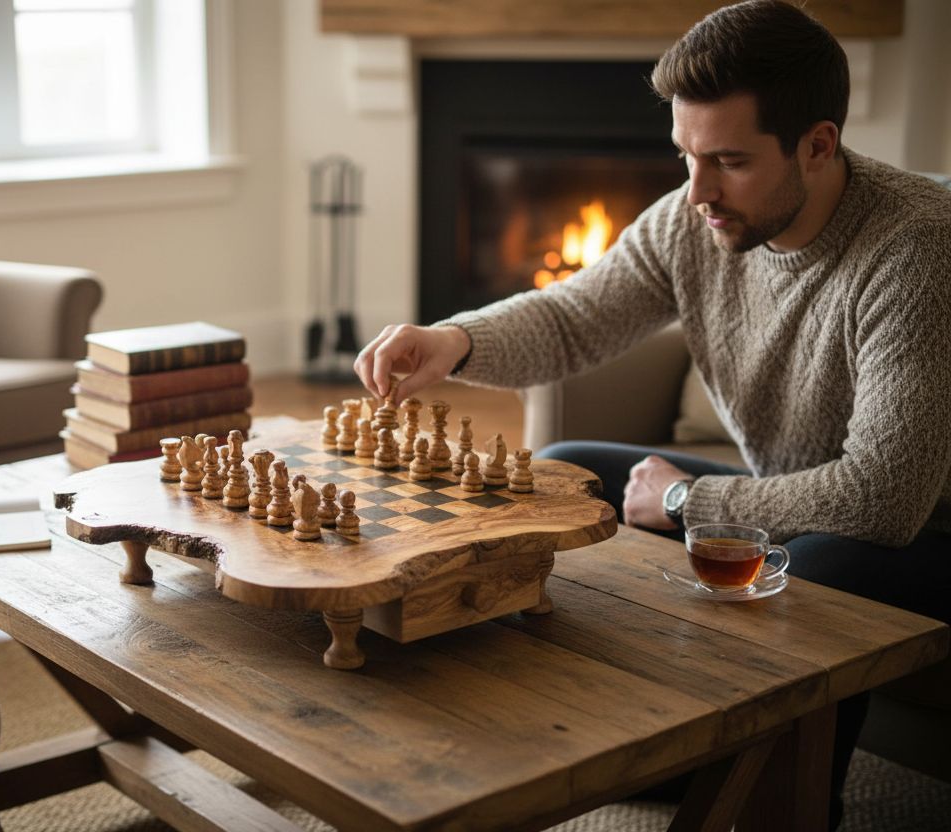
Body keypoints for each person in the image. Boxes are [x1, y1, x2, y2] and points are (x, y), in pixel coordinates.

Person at [354, 1, 951, 826]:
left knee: (812, 576)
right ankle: (621, 726)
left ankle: (789, 798)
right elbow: (573, 317)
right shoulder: (691, 219)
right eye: (686, 156)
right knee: (568, 466)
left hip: (927, 532)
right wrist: (451, 340)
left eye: (731, 161)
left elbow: (886, 497)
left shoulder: (915, 249)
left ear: (818, 145)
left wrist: (686, 502)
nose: (697, 191)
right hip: (804, 496)